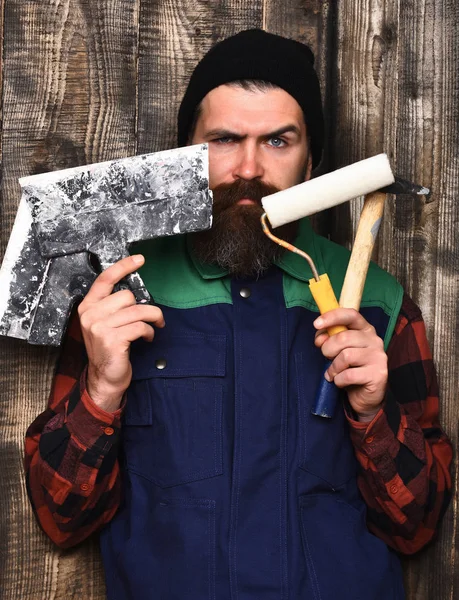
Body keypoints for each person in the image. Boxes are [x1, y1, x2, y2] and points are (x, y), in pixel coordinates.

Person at [25, 29, 452, 599]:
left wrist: (374, 413)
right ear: (188, 150)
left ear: (310, 160)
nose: (248, 168)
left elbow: (418, 528)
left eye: (278, 141)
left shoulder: (379, 302)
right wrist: (101, 390)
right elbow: (61, 518)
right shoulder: (124, 293)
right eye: (225, 139)